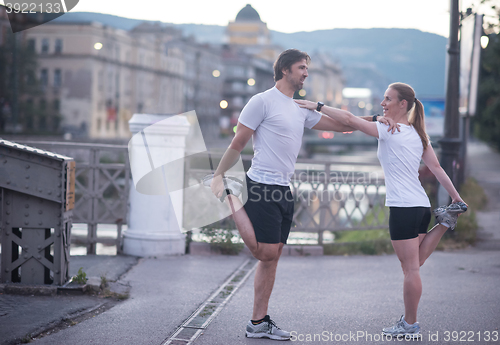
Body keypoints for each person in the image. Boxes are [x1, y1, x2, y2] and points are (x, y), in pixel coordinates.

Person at [203, 49, 398, 340]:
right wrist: (219, 175)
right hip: (261, 185)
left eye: (306, 68)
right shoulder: (262, 102)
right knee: (264, 252)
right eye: (301, 67)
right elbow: (237, 142)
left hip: (284, 188)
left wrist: (372, 118)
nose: (306, 73)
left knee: (273, 257)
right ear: (284, 70)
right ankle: (231, 197)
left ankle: (258, 322)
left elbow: (342, 125)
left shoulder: (299, 109)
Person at [296, 82, 467, 339]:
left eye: (388, 99)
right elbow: (437, 169)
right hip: (420, 206)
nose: (382, 103)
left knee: (411, 269)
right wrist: (456, 196)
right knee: (416, 263)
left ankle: (410, 325)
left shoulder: (387, 131)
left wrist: (317, 105)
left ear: (403, 104)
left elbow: (350, 119)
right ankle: (443, 222)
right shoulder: (418, 135)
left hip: (403, 207)